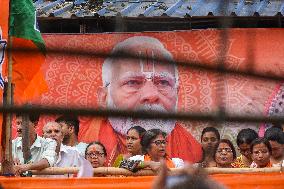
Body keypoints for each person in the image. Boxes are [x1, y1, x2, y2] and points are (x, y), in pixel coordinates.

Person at [83, 36, 202, 165]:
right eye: (132, 82)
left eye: (163, 82)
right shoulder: (85, 141)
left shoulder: (193, 151)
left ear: (177, 94)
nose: (150, 95)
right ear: (103, 97)